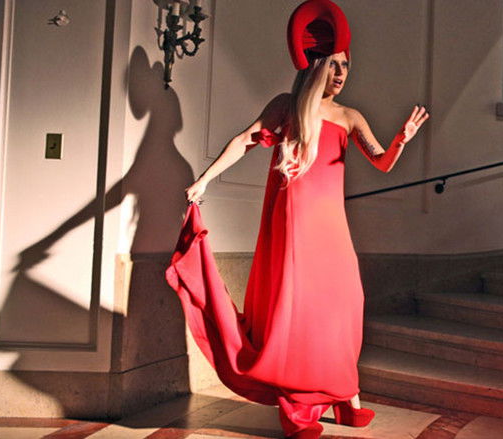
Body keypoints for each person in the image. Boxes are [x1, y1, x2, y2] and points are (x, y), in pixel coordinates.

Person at [167, 1, 428, 438]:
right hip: (295, 230)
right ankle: (298, 408)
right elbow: (244, 140)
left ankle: (345, 395)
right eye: (334, 65)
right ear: (316, 65)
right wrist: (205, 180)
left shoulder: (350, 116)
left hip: (333, 231)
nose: (342, 73)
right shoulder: (288, 107)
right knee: (300, 316)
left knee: (345, 307)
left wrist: (403, 138)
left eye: (346, 66)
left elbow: (382, 162)